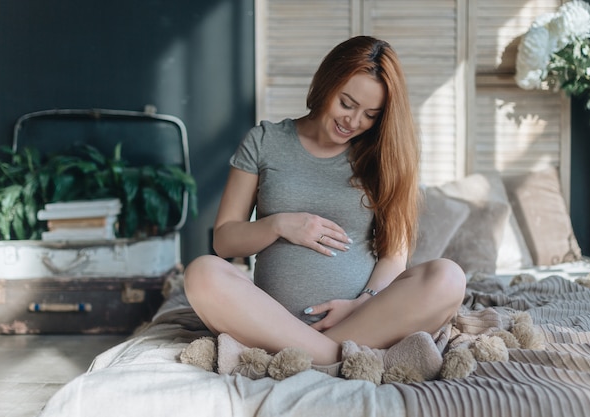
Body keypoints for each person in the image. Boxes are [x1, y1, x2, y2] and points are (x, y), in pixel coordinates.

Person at [184, 35, 466, 371]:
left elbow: (394, 255)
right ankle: (336, 357)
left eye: (370, 115)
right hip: (267, 319)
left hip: (360, 318)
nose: (353, 121)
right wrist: (279, 224)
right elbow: (225, 239)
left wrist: (362, 303)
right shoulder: (265, 141)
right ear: (327, 83)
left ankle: (304, 356)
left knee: (448, 277)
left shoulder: (382, 157)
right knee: (202, 272)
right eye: (346, 103)